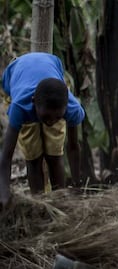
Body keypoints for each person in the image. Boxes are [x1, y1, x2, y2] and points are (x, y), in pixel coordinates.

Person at [0, 52, 85, 208]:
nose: (51, 122)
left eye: (57, 117)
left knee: (55, 153)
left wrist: (76, 184)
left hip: (50, 65)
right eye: (46, 117)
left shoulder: (72, 110)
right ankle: (39, 206)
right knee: (33, 157)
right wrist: (4, 194)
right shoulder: (20, 107)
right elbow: (5, 157)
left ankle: (60, 204)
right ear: (33, 103)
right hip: (17, 73)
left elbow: (73, 148)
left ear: (65, 108)